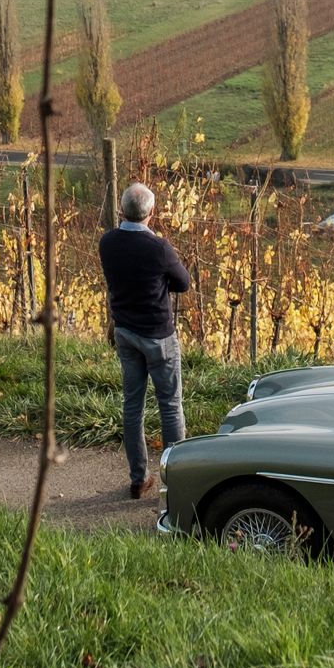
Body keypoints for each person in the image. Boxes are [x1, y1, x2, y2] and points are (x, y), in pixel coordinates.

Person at [99, 181, 191, 498]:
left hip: (125, 333)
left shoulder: (107, 243)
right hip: (158, 336)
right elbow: (183, 283)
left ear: (121, 210)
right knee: (169, 405)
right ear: (152, 213)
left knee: (132, 406)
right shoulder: (159, 248)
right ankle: (176, 481)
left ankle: (139, 479)